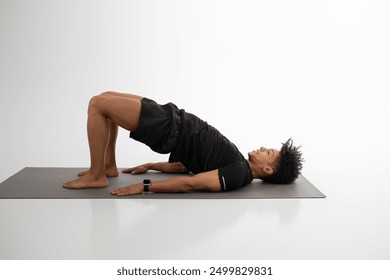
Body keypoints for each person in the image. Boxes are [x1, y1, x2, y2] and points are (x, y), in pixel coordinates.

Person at [63, 92, 303, 196]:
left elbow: (192, 183)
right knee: (104, 97)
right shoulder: (236, 161)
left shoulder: (238, 174)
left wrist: (144, 187)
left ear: (268, 169)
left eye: (268, 152)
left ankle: (97, 175)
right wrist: (152, 165)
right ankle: (108, 167)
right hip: (172, 117)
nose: (263, 147)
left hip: (169, 127)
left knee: (98, 105)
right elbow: (187, 166)